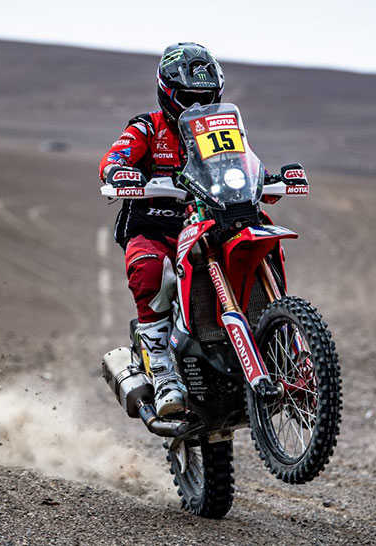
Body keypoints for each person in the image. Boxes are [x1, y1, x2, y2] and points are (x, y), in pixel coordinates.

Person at [98, 43, 224, 417]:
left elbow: (242, 160)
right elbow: (114, 157)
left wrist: (266, 177)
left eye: (205, 97)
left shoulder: (218, 129)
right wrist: (119, 171)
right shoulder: (147, 126)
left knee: (257, 234)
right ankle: (163, 370)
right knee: (151, 267)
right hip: (154, 226)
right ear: (168, 92)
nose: (197, 105)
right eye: (188, 97)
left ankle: (279, 338)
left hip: (207, 224)